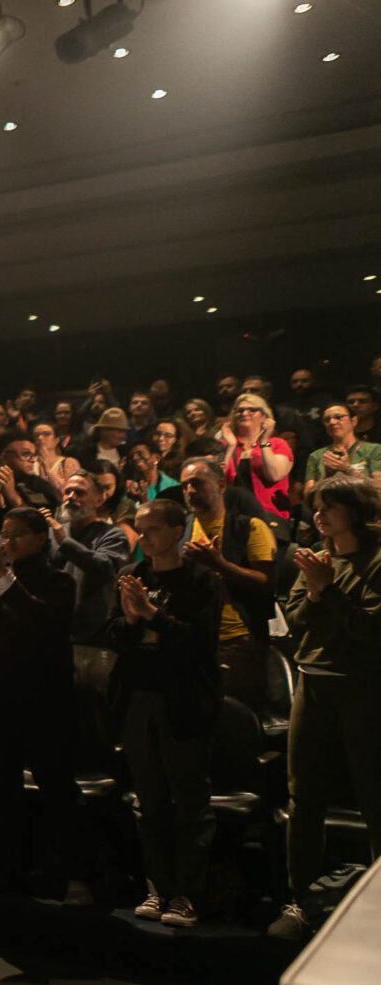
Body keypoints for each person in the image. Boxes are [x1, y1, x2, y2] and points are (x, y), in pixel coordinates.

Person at [269, 476, 381, 941]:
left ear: (355, 511)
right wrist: (316, 591)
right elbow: (295, 620)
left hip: (364, 691)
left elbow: (372, 633)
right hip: (312, 686)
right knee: (304, 798)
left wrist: (327, 592)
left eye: (329, 507)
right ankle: (301, 900)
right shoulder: (318, 559)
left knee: (376, 799)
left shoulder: (375, 561)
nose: (319, 515)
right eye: (316, 508)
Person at [0, 507, 94, 906]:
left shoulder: (59, 582)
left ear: (41, 539)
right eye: (5, 534)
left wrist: (3, 580)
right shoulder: (4, 579)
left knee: (57, 785)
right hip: (2, 691)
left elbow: (41, 620)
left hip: (46, 695)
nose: (8, 542)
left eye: (18, 534)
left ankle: (77, 874)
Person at [107, 499, 220, 927]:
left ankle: (188, 893)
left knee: (189, 800)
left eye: (151, 528)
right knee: (148, 799)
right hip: (139, 697)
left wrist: (152, 615)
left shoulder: (202, 580)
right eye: (139, 528)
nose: (143, 537)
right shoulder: (133, 576)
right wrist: (133, 621)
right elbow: (112, 633)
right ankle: (157, 886)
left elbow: (199, 643)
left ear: (177, 531)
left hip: (183, 699)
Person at [179, 457, 278, 709]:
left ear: (221, 485)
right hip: (194, 640)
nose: (189, 491)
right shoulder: (182, 531)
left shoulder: (249, 527)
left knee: (237, 718)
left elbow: (265, 582)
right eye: (184, 486)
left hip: (238, 639)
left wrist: (219, 564)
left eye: (197, 483)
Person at [46, 472, 131, 643]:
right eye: (67, 491)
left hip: (93, 637)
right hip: (55, 634)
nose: (71, 497)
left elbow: (105, 568)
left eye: (80, 492)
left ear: (99, 500)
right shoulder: (53, 533)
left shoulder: (112, 535)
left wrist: (64, 542)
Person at [220, 392, 295, 524]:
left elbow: (274, 474)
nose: (244, 413)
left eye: (252, 410)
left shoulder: (278, 444)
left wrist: (264, 441)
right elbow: (218, 484)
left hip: (269, 518)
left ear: (264, 415)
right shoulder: (226, 445)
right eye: (240, 410)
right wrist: (231, 446)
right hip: (234, 519)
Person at [303, 403, 381, 501]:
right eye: (327, 420)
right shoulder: (316, 456)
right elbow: (308, 498)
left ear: (353, 421)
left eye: (338, 417)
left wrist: (348, 469)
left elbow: (378, 491)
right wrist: (327, 476)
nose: (332, 422)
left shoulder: (374, 450)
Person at [125, 439, 181, 504]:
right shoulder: (129, 487)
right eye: (131, 456)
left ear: (157, 458)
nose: (134, 458)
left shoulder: (173, 486)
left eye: (140, 453)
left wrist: (143, 499)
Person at [33, 421, 80, 490]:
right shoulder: (29, 462)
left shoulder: (68, 463)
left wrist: (48, 470)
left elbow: (70, 491)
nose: (40, 438)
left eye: (46, 434)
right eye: (36, 435)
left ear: (56, 440)